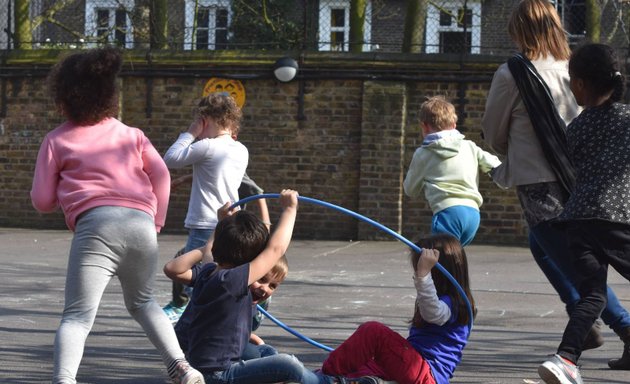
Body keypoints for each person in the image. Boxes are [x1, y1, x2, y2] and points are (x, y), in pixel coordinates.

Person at [30, 47, 204, 384]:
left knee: (78, 316)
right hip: (140, 224)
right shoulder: (131, 134)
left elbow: (41, 201)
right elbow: (162, 176)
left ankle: (64, 380)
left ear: (64, 97)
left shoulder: (56, 140)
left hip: (96, 226)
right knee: (143, 302)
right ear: (109, 96)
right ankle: (182, 366)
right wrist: (155, 222)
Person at [481, 0, 630, 362]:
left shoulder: (513, 73)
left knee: (580, 269)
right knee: (542, 246)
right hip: (585, 178)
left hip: (539, 186)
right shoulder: (576, 68)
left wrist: (516, 145)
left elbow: (492, 134)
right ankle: (587, 317)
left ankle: (620, 326)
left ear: (520, 31)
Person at [162, 189, 379, 384]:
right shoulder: (232, 280)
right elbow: (276, 249)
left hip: (205, 363)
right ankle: (327, 382)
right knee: (287, 364)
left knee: (265, 351)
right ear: (249, 259)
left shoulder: (209, 272)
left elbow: (173, 268)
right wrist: (290, 209)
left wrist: (218, 230)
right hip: (218, 375)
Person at [538, 43, 630, 384]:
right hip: (616, 218)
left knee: (592, 295)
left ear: (579, 85)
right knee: (593, 294)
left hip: (578, 220)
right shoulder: (627, 121)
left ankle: (565, 358)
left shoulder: (575, 128)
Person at [320, 233, 475, 384]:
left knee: (373, 332)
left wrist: (423, 275)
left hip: (427, 374)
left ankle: (324, 376)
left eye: (421, 269)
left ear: (438, 273)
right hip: (417, 368)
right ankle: (352, 379)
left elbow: (433, 313)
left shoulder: (454, 304)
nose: (417, 273)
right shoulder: (448, 301)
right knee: (364, 364)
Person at [161, 92, 249, 321]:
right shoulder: (241, 149)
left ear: (205, 119)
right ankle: (205, 314)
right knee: (220, 270)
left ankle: (192, 315)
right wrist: (188, 180)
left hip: (205, 222)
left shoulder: (208, 146)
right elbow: (219, 177)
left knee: (192, 273)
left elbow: (169, 159)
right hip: (229, 221)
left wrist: (190, 132)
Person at [403, 96, 501, 246]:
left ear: (424, 126)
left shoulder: (424, 153)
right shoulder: (469, 146)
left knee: (440, 260)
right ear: (454, 124)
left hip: (447, 213)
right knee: (454, 260)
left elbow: (410, 190)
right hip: (473, 214)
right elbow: (495, 165)